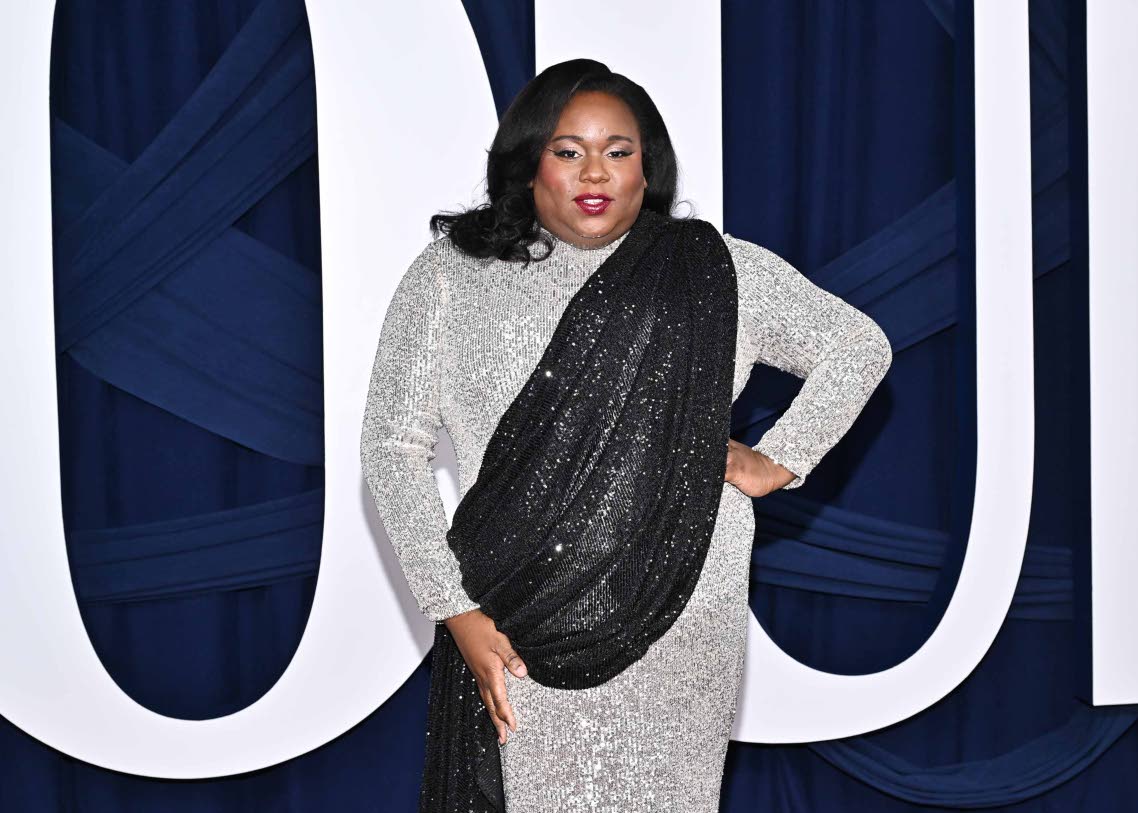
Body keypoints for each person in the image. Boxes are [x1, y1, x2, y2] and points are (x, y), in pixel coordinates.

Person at [360, 59, 892, 813]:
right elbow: (392, 445)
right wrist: (453, 607)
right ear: (529, 162)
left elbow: (857, 347)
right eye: (568, 150)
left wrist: (781, 457)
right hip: (515, 614)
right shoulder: (453, 274)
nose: (595, 172)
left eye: (619, 150)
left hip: (682, 619)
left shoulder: (710, 270)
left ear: (649, 166)